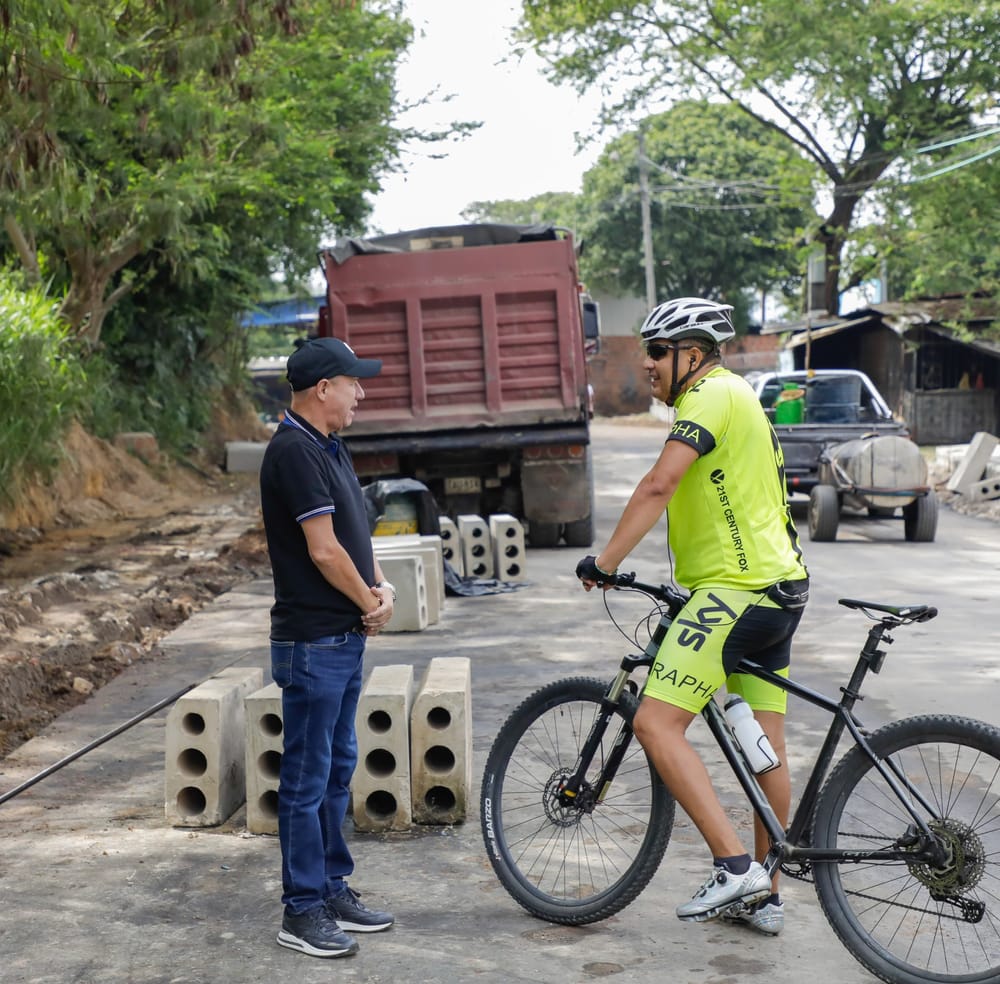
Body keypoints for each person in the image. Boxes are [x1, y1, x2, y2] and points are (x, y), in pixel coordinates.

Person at [576, 297, 809, 937]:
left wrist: (604, 562)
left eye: (657, 351)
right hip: (779, 589)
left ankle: (735, 869)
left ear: (694, 354)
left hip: (736, 592)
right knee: (765, 748)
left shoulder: (709, 395)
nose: (647, 363)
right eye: (646, 351)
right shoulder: (738, 395)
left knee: (655, 721)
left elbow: (661, 483)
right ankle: (767, 895)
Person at [259, 336, 397, 959]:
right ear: (323, 388)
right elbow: (322, 550)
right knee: (306, 780)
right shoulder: (293, 451)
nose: (360, 393)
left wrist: (380, 589)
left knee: (338, 769)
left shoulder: (330, 446)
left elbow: (352, 534)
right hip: (313, 643)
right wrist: (369, 604)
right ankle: (301, 908)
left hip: (342, 639)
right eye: (352, 382)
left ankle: (332, 887)